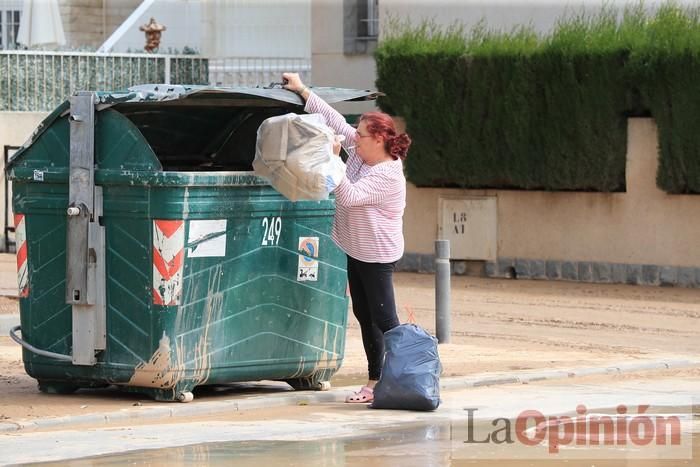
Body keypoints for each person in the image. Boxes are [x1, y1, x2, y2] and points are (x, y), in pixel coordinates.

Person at [282, 72, 412, 403]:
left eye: (362, 134)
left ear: (380, 140)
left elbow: (350, 196)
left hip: (378, 253)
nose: (355, 137)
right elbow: (335, 121)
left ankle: (400, 378)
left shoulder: (386, 173)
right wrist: (302, 89)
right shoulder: (360, 149)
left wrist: (331, 158)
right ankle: (376, 380)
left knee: (384, 317)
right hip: (355, 245)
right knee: (364, 315)